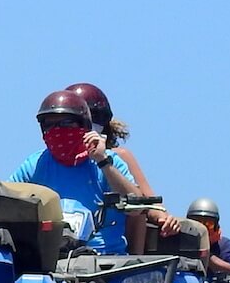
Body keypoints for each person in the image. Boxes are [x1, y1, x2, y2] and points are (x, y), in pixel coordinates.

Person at [6, 91, 145, 254]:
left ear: (85, 126)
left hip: (104, 264)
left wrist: (103, 162)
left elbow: (137, 207)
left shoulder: (109, 161)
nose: (57, 131)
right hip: (50, 262)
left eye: (66, 123)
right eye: (49, 125)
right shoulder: (35, 164)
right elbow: (6, 202)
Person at [63, 83, 179, 251]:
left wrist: (164, 219)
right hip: (65, 241)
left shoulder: (118, 157)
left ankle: (133, 266)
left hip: (108, 248)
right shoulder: (47, 161)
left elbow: (146, 200)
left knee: (137, 206)